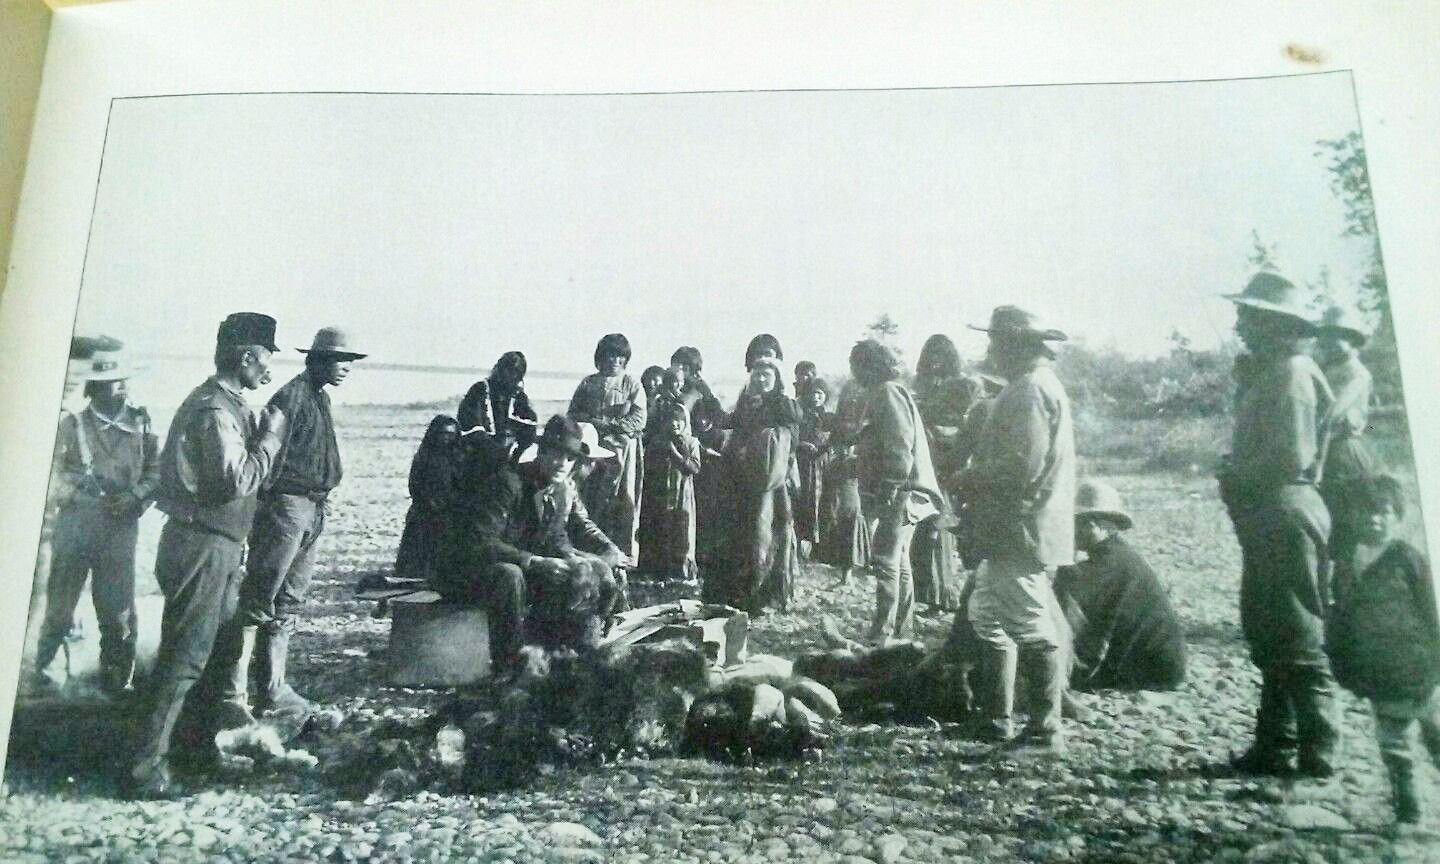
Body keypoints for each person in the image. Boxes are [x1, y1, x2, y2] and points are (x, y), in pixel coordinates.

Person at [129, 312, 286, 799]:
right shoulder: (215, 410)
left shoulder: (226, 404)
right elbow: (235, 479)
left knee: (218, 655)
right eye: (266, 358)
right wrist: (272, 436)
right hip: (202, 544)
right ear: (245, 356)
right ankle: (144, 770)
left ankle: (196, 751)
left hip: (217, 543)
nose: (269, 369)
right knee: (185, 658)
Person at [1217, 273, 1339, 778]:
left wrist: (1236, 474)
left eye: (1249, 315)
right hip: (1274, 506)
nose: (1240, 324)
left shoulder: (1291, 373)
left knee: (1295, 631)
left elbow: (1288, 454)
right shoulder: (1276, 370)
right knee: (1271, 629)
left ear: (1274, 323)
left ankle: (1320, 756)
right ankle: (1277, 744)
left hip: (1283, 506)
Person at [224, 327, 364, 723]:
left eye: (349, 362)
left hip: (313, 508)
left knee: (288, 602)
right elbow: (266, 458)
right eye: (340, 361)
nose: (345, 369)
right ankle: (233, 697)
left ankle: (273, 689)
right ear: (317, 360)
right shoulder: (290, 398)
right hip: (286, 508)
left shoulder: (319, 398)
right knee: (258, 601)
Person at [957, 305, 1075, 752]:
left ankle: (1045, 729)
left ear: (1012, 346)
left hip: (1018, 527)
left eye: (995, 342)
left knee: (1028, 621)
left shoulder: (1028, 392)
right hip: (1016, 526)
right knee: (987, 613)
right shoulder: (1034, 387)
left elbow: (1020, 466)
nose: (990, 351)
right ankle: (996, 717)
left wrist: (972, 475)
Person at [436, 415, 625, 673]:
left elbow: (556, 537)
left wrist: (576, 561)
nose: (563, 464)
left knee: (577, 574)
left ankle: (560, 655)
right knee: (510, 575)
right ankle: (510, 666)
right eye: (556, 455)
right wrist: (535, 561)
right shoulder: (510, 482)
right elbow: (481, 541)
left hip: (518, 569)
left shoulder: (559, 490)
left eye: (570, 459)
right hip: (468, 570)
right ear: (542, 452)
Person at [33, 344, 160, 695]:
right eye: (111, 382)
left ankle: (116, 681)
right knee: (59, 611)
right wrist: (78, 496)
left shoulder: (143, 423)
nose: (121, 388)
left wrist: (135, 497)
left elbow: (156, 472)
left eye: (123, 381)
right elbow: (50, 477)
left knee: (117, 613)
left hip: (119, 531)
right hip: (74, 528)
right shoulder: (70, 426)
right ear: (95, 388)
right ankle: (43, 679)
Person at [1325, 475, 1440, 824]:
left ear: (1398, 516)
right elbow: (1340, 620)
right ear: (1352, 516)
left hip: (1422, 670)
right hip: (1382, 675)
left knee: (1436, 733)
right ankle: (1410, 813)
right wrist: (1345, 669)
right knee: (1395, 748)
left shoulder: (1409, 560)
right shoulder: (1346, 564)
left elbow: (1432, 612)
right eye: (1365, 512)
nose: (1374, 519)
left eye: (1383, 511)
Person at [849, 339, 945, 646]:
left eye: (857, 365)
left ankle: (883, 630)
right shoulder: (889, 392)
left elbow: (899, 447)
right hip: (908, 490)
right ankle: (902, 628)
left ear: (869, 365)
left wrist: (889, 489)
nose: (853, 373)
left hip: (902, 490)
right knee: (899, 560)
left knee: (886, 559)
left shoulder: (887, 393)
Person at [1053, 480, 1186, 692]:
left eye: (1083, 523)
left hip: (1154, 668)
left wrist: (1059, 556)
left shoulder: (1114, 560)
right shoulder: (1117, 554)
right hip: (1160, 662)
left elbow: (1067, 588)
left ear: (1104, 525)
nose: (1076, 530)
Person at [717, 354, 801, 614]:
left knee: (764, 535)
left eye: (768, 375)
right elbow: (732, 426)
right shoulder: (745, 402)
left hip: (770, 482)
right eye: (758, 374)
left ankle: (766, 596)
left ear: (777, 380)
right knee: (741, 534)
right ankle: (740, 591)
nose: (762, 378)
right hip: (742, 478)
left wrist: (760, 446)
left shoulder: (784, 405)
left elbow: (790, 442)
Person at [911, 334, 982, 612]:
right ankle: (928, 594)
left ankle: (943, 596)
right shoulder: (923, 387)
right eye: (931, 357)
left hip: (947, 462)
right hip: (926, 460)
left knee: (939, 532)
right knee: (924, 529)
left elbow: (962, 429)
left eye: (941, 357)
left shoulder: (962, 386)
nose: (935, 363)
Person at [1315, 304, 1380, 583]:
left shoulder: (1357, 373)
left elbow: (1333, 414)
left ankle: (1346, 599)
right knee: (1321, 527)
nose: (1330, 344)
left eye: (1338, 337)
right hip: (1325, 447)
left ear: (1353, 340)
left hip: (1343, 452)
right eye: (1326, 337)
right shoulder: (1326, 368)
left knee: (1346, 531)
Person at [568, 333, 647, 562]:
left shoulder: (631, 383)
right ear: (600, 357)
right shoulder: (588, 383)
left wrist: (613, 426)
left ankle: (622, 554)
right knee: (590, 498)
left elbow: (639, 418)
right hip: (592, 449)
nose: (615, 361)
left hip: (622, 451)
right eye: (610, 355)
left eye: (620, 356)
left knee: (623, 500)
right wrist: (593, 424)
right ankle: (590, 548)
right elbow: (573, 413)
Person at [638, 400, 703, 583]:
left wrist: (675, 454)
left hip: (681, 493)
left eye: (679, 420)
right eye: (670, 420)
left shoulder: (691, 442)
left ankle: (681, 570)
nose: (674, 424)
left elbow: (694, 467)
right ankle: (661, 569)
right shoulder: (658, 441)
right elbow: (648, 464)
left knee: (681, 528)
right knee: (661, 528)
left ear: (685, 422)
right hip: (660, 493)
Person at [393, 414, 462, 583]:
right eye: (442, 434)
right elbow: (415, 485)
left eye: (450, 434)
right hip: (424, 514)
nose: (446, 438)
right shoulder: (424, 457)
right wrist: (429, 503)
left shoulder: (459, 458)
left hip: (451, 514)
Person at [815, 382, 872, 585]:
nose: (851, 404)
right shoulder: (837, 423)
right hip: (836, 473)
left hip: (853, 476)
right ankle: (841, 567)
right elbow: (827, 444)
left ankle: (849, 570)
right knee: (835, 517)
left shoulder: (867, 426)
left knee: (850, 517)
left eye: (855, 401)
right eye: (848, 400)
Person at [458, 350, 538, 471]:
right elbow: (471, 427)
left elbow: (530, 426)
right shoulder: (480, 390)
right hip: (474, 457)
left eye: (516, 373)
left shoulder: (518, 397)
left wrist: (515, 456)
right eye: (508, 370)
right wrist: (497, 452)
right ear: (500, 368)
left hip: (504, 461)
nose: (510, 376)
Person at [794, 377, 832, 557]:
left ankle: (821, 546)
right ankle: (802, 542)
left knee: (823, 501)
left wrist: (826, 447)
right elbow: (793, 437)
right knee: (804, 499)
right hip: (804, 464)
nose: (816, 397)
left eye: (820, 393)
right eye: (813, 393)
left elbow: (836, 438)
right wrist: (803, 444)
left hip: (824, 465)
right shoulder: (801, 415)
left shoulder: (829, 417)